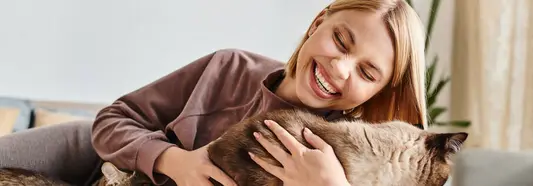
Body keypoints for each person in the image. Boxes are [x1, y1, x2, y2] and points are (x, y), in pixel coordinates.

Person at [0, 0, 427, 186]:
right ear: (318, 23)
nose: (339, 67)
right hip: (99, 166)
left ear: (374, 94)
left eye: (367, 72)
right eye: (341, 40)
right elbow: (112, 121)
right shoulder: (230, 67)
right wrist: (175, 161)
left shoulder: (349, 157)